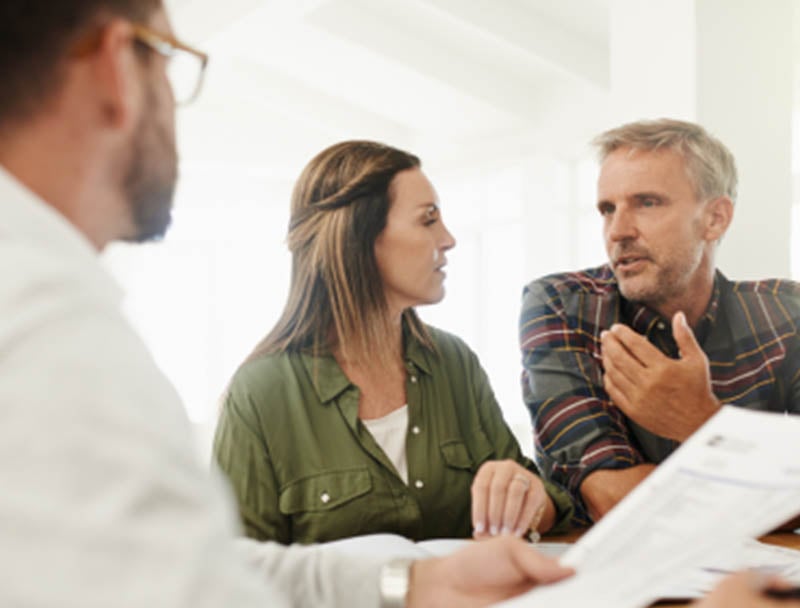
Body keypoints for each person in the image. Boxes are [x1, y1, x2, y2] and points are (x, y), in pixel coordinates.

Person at [0, 1, 580, 606]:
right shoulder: (52, 329)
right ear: (118, 66)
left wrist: (416, 583)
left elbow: (220, 568)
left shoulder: (453, 363)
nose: (450, 239)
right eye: (172, 62)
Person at [213, 140, 574, 545]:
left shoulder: (454, 362)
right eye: (427, 220)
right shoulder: (261, 393)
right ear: (358, 238)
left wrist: (531, 500)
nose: (448, 239)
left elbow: (540, 505)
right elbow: (234, 567)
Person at [519, 118, 800, 525]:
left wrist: (701, 420)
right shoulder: (562, 305)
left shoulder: (786, 312)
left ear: (715, 219)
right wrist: (768, 484)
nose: (618, 231)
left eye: (647, 203)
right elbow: (613, 500)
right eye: (607, 209)